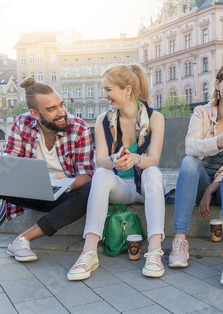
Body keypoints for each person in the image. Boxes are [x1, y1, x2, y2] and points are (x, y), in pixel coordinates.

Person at [0, 78, 94, 278]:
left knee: (87, 191)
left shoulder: (79, 127)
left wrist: (68, 184)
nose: (61, 112)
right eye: (52, 109)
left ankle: (22, 239)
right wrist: (4, 169)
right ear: (35, 114)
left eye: (61, 105)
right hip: (30, 191)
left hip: (64, 195)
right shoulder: (22, 122)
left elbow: (86, 173)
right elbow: (9, 160)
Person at [67, 64, 166, 281]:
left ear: (127, 90)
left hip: (145, 186)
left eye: (108, 89)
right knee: (102, 173)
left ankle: (155, 251)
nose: (104, 95)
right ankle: (89, 252)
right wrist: (113, 160)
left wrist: (135, 159)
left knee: (153, 172)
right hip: (121, 188)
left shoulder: (154, 118)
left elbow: (155, 159)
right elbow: (100, 161)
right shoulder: (104, 121)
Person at [168, 61, 223, 287]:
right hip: (199, 182)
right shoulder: (201, 112)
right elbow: (191, 147)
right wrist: (219, 141)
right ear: (218, 84)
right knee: (189, 162)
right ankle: (179, 241)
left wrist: (211, 188)